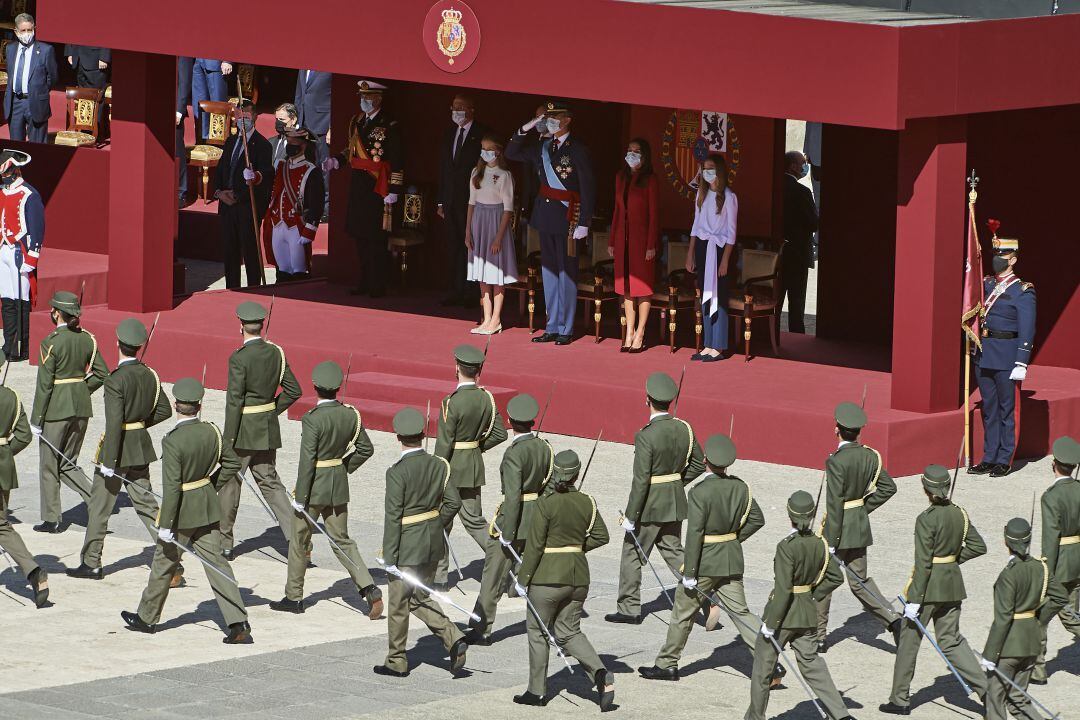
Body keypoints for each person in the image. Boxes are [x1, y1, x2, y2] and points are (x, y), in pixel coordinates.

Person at [121, 377, 252, 644]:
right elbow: (230, 464)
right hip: (206, 506)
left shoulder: (173, 440)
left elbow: (171, 489)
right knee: (217, 564)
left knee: (163, 563)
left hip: (181, 513)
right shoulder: (212, 432)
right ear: (199, 405)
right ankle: (238, 622)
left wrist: (166, 526)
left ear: (175, 404)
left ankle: (147, 618)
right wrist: (209, 485)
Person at [639, 433, 763, 680]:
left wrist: (690, 573)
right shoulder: (741, 487)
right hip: (731, 559)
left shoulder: (699, 492)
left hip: (705, 563)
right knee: (741, 613)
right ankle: (769, 659)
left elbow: (695, 534)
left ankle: (667, 664)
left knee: (682, 613)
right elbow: (757, 519)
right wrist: (733, 539)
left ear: (705, 459)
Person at [270, 361, 382, 619]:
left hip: (314, 489)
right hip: (337, 484)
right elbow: (366, 449)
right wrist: (342, 468)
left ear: (315, 387)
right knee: (342, 540)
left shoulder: (312, 419)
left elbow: (307, 461)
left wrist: (301, 496)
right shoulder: (351, 414)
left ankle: (294, 597)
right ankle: (368, 586)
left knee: (299, 541)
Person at [67, 319, 173, 581]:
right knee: (148, 506)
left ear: (118, 343)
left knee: (99, 507)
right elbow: (164, 410)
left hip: (117, 451)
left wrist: (109, 460)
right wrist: (139, 425)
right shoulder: (150, 374)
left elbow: (114, 424)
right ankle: (170, 562)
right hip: (139, 448)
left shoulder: (115, 380)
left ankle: (92, 562)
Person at [880, 464, 988, 715]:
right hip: (952, 584)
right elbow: (977, 546)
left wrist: (914, 600)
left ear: (926, 489)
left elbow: (923, 563)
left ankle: (899, 699)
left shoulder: (926, 519)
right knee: (952, 640)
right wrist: (951, 561)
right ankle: (987, 689)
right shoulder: (960, 514)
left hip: (927, 590)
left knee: (909, 641)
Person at [512, 449, 614, 710]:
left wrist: (523, 579)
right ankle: (601, 674)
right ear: (577, 474)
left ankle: (536, 692)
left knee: (537, 632)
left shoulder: (545, 504)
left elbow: (534, 546)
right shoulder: (587, 502)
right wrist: (575, 550)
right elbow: (602, 536)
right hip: (578, 576)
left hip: (546, 578)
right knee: (570, 631)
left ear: (554, 472)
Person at [375, 407, 468, 678]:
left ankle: (396, 660)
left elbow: (393, 518)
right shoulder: (440, 465)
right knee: (418, 598)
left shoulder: (396, 472)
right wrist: (436, 523)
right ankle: (453, 638)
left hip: (407, 546)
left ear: (398, 437)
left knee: (398, 604)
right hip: (433, 542)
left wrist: (389, 558)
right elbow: (453, 501)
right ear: (423, 434)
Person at [606, 372, 705, 624]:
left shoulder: (646, 435)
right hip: (674, 502)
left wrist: (630, 515)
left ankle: (629, 608)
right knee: (673, 551)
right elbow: (697, 464)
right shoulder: (685, 428)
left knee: (632, 552)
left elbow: (641, 480)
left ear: (647, 399)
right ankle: (705, 590)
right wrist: (675, 483)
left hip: (650, 505)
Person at [745, 490, 852, 720]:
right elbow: (835, 577)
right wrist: (811, 595)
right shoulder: (820, 544)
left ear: (789, 514)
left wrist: (771, 623)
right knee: (812, 665)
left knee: (763, 669)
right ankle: (840, 714)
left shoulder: (787, 546)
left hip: (783, 616)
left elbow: (783, 589)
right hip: (806, 613)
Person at [464, 393, 555, 645]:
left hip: (514, 520)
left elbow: (513, 497)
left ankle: (482, 627)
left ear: (510, 420)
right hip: (537, 517)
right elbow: (549, 485)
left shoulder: (514, 453)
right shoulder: (545, 447)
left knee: (492, 576)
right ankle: (554, 625)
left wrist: (507, 531)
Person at [506, 101, 595, 346]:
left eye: (556, 117)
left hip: (569, 219)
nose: (551, 121)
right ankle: (552, 325)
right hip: (545, 217)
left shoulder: (577, 149)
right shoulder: (542, 146)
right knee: (550, 273)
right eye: (549, 117)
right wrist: (530, 125)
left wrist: (584, 221)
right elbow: (511, 153)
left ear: (567, 120)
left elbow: (587, 187)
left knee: (566, 273)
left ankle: (566, 328)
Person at [218, 301, 302, 559]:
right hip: (266, 429)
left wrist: (227, 438)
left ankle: (225, 542)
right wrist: (270, 411)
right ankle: (299, 544)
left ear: (240, 326)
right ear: (262, 326)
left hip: (243, 431)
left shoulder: (239, 358)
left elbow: (234, 401)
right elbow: (293, 391)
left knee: (231, 482)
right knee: (271, 483)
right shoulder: (277, 353)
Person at [816, 402, 901, 653]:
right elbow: (888, 487)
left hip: (837, 529)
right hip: (859, 526)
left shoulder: (836, 461)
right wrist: (863, 508)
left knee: (825, 581)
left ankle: (819, 637)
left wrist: (831, 540)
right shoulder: (870, 455)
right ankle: (893, 620)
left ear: (837, 430)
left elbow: (835, 504)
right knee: (860, 582)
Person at [30, 291, 108, 533]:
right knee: (68, 463)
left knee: (49, 464)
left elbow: (44, 385)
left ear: (56, 313)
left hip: (56, 410)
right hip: (81, 408)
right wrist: (82, 389)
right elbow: (102, 373)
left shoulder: (51, 342)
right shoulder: (87, 339)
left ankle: (52, 518)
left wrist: (36, 419)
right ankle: (97, 504)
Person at [433, 344, 508, 587]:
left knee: (441, 521)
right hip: (473, 466)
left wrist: (435, 473)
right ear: (478, 371)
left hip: (451, 469)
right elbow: (499, 434)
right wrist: (477, 447)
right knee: (475, 521)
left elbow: (444, 444)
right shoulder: (487, 397)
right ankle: (504, 564)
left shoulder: (451, 402)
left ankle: (439, 576)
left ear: (457, 368)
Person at [323, 80, 403, 298]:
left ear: (378, 99)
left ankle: (378, 284)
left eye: (368, 98)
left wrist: (394, 188)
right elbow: (351, 149)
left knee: (376, 239)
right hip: (359, 186)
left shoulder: (389, 124)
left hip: (378, 186)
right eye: (361, 97)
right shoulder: (357, 121)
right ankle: (365, 281)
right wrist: (337, 161)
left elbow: (397, 158)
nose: (363, 102)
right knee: (360, 237)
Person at [981, 517, 1068, 720]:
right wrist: (1037, 618)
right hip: (1032, 641)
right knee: (1018, 699)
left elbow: (1003, 619)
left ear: (1006, 542)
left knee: (995, 699)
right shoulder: (1041, 568)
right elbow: (1061, 597)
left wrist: (990, 654)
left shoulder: (1008, 575)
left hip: (1010, 646)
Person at [968, 228, 1036, 478]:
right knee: (989, 408)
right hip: (984, 353)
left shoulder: (1023, 290)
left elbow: (1027, 329)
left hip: (1007, 356)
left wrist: (1022, 361)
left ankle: (1004, 458)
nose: (997, 257)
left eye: (1003, 254)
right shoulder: (986, 283)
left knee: (1007, 410)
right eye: (996, 253)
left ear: (1013, 259)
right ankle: (989, 456)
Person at [0, 349, 49, 608]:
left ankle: (33, 570)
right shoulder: (11, 397)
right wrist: (5, 453)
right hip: (3, 469)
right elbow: (24, 435)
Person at [1032, 435, 1080, 683]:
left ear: (1054, 464)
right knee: (1071, 612)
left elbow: (1050, 539)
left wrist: (1045, 573)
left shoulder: (1051, 497)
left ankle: (1038, 670)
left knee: (1041, 616)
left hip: (1060, 564)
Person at [214, 100, 272, 289]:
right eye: (239, 116)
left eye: (246, 116)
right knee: (230, 251)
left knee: (250, 251)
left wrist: (238, 196)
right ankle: (232, 286)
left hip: (247, 207)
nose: (242, 119)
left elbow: (265, 177)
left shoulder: (262, 145)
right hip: (227, 205)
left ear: (254, 117)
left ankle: (253, 287)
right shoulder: (231, 141)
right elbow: (221, 169)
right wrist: (219, 192)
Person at [438, 93, 488, 308]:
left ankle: (470, 293)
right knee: (453, 247)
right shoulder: (449, 134)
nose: (456, 111)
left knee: (471, 248)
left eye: (461, 106)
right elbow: (444, 170)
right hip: (450, 202)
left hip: (471, 202)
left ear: (471, 109)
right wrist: (440, 201)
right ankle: (455, 291)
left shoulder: (483, 134)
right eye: (453, 107)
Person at [608, 138, 658, 353]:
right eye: (629, 151)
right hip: (623, 238)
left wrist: (651, 244)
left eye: (636, 152)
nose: (632, 155)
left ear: (644, 157)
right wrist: (612, 240)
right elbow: (617, 211)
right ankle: (628, 332)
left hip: (641, 239)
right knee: (626, 287)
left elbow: (654, 215)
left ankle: (640, 332)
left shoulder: (650, 180)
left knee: (643, 287)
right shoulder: (621, 177)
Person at [687, 154, 737, 362]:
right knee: (704, 294)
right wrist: (690, 253)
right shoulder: (701, 193)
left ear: (719, 171)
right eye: (704, 168)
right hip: (702, 246)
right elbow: (696, 226)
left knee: (719, 296)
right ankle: (708, 343)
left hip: (718, 249)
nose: (706, 172)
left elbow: (731, 232)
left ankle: (718, 345)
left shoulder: (729, 196)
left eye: (710, 168)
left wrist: (725, 260)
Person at [466, 134, 516, 334]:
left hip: (495, 222)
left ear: (498, 152)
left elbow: (508, 208)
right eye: (482, 149)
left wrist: (498, 237)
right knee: (483, 275)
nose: (485, 153)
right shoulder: (475, 172)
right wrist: (468, 230)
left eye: (489, 149)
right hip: (479, 221)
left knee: (496, 274)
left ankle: (496, 320)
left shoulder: (505, 175)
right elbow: (471, 203)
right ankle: (486, 319)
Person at [264, 127, 323, 283]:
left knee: (298, 271)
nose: (289, 145)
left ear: (303, 145)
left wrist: (309, 230)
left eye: (293, 142)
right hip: (277, 223)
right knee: (282, 271)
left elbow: (317, 204)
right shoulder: (280, 164)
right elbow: (269, 185)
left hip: (296, 226)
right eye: (288, 142)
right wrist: (255, 177)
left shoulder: (311, 170)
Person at [0, 149, 43, 361]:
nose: (5, 178)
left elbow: (37, 228)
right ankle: (9, 343)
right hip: (3, 250)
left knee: (20, 300)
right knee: (7, 299)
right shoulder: (2, 191)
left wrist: (32, 259)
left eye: (8, 173)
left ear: (16, 170)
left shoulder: (29, 194)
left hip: (20, 252)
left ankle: (22, 346)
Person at [780, 151, 818, 334]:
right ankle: (797, 337)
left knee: (775, 300)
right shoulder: (802, 192)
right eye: (803, 163)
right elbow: (813, 223)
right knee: (796, 304)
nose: (805, 166)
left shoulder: (773, 187)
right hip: (798, 254)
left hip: (777, 254)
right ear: (793, 166)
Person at [3, 14, 56, 144]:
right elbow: (11, 74)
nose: (27, 33)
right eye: (23, 30)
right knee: (15, 147)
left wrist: (39, 91)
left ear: (34, 29)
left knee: (38, 147)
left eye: (30, 30)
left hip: (36, 102)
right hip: (15, 102)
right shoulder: (10, 49)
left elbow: (52, 78)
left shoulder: (45, 50)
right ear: (16, 31)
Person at [294, 69, 331, 216]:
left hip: (322, 123)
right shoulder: (303, 68)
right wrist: (297, 120)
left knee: (324, 168)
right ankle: (309, 203)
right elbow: (299, 94)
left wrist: (331, 127)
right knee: (308, 167)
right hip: (305, 124)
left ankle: (325, 208)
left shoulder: (329, 69)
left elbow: (336, 97)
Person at [191, 58, 233, 140]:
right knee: (199, 105)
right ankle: (202, 141)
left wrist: (228, 60)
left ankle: (218, 145)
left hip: (216, 62)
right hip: (198, 60)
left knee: (218, 107)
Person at [175, 57, 194, 206]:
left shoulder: (182, 53)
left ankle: (181, 193)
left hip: (175, 113)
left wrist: (180, 110)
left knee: (177, 152)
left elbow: (184, 80)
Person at [269, 103, 299, 169]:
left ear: (293, 120)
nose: (278, 123)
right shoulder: (270, 142)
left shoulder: (300, 145)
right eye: (277, 119)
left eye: (282, 119)